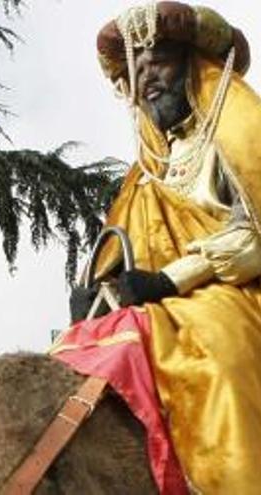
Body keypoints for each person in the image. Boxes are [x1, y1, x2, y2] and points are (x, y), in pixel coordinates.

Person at [75, 2, 261, 491]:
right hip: (158, 303)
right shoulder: (146, 171)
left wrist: (169, 280)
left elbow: (252, 238)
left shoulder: (239, 136)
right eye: (135, 68)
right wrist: (97, 291)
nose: (145, 77)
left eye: (156, 61)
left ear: (194, 65)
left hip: (235, 292)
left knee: (216, 351)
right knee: (74, 351)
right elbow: (126, 245)